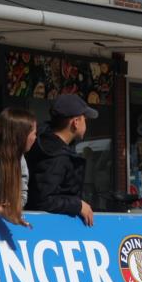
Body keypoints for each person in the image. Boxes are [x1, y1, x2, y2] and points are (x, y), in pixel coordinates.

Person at [26, 94, 97, 226]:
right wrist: (78, 205)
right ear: (75, 122)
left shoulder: (47, 144)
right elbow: (44, 200)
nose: (86, 123)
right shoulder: (56, 155)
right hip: (46, 229)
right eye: (84, 119)